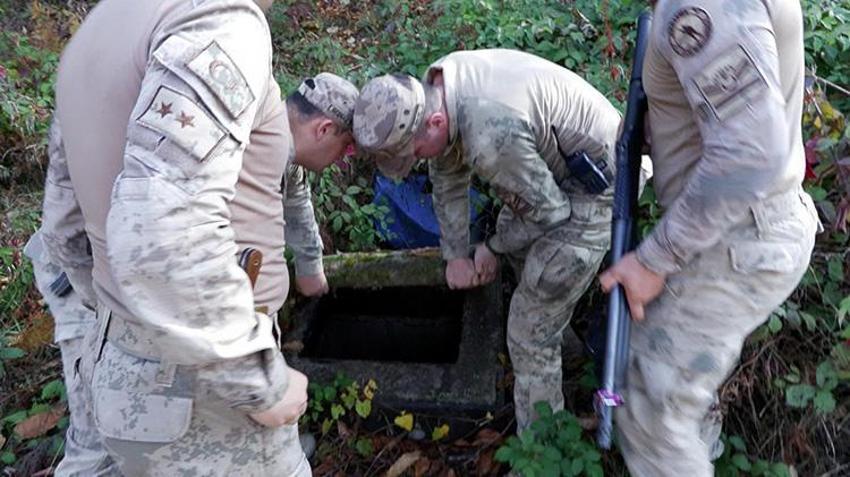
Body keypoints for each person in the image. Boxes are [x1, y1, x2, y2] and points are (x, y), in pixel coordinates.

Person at [48, 0, 358, 473]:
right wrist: (258, 380)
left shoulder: (97, 32)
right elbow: (165, 227)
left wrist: (124, 321)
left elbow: (65, 225)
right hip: (201, 386)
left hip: (122, 359)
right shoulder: (218, 20)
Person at [598, 1, 819, 475]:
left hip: (737, 237)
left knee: (653, 413)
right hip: (741, 230)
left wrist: (656, 259)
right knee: (674, 397)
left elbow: (749, 151)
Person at [352, 49, 621, 431]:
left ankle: (544, 448)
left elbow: (552, 214)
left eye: (413, 154)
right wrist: (456, 255)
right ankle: (566, 351)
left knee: (527, 330)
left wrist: (491, 247)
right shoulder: (438, 87)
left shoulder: (489, 133)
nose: (417, 161)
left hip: (600, 189)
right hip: (553, 175)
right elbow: (446, 177)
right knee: (521, 250)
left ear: (435, 122)